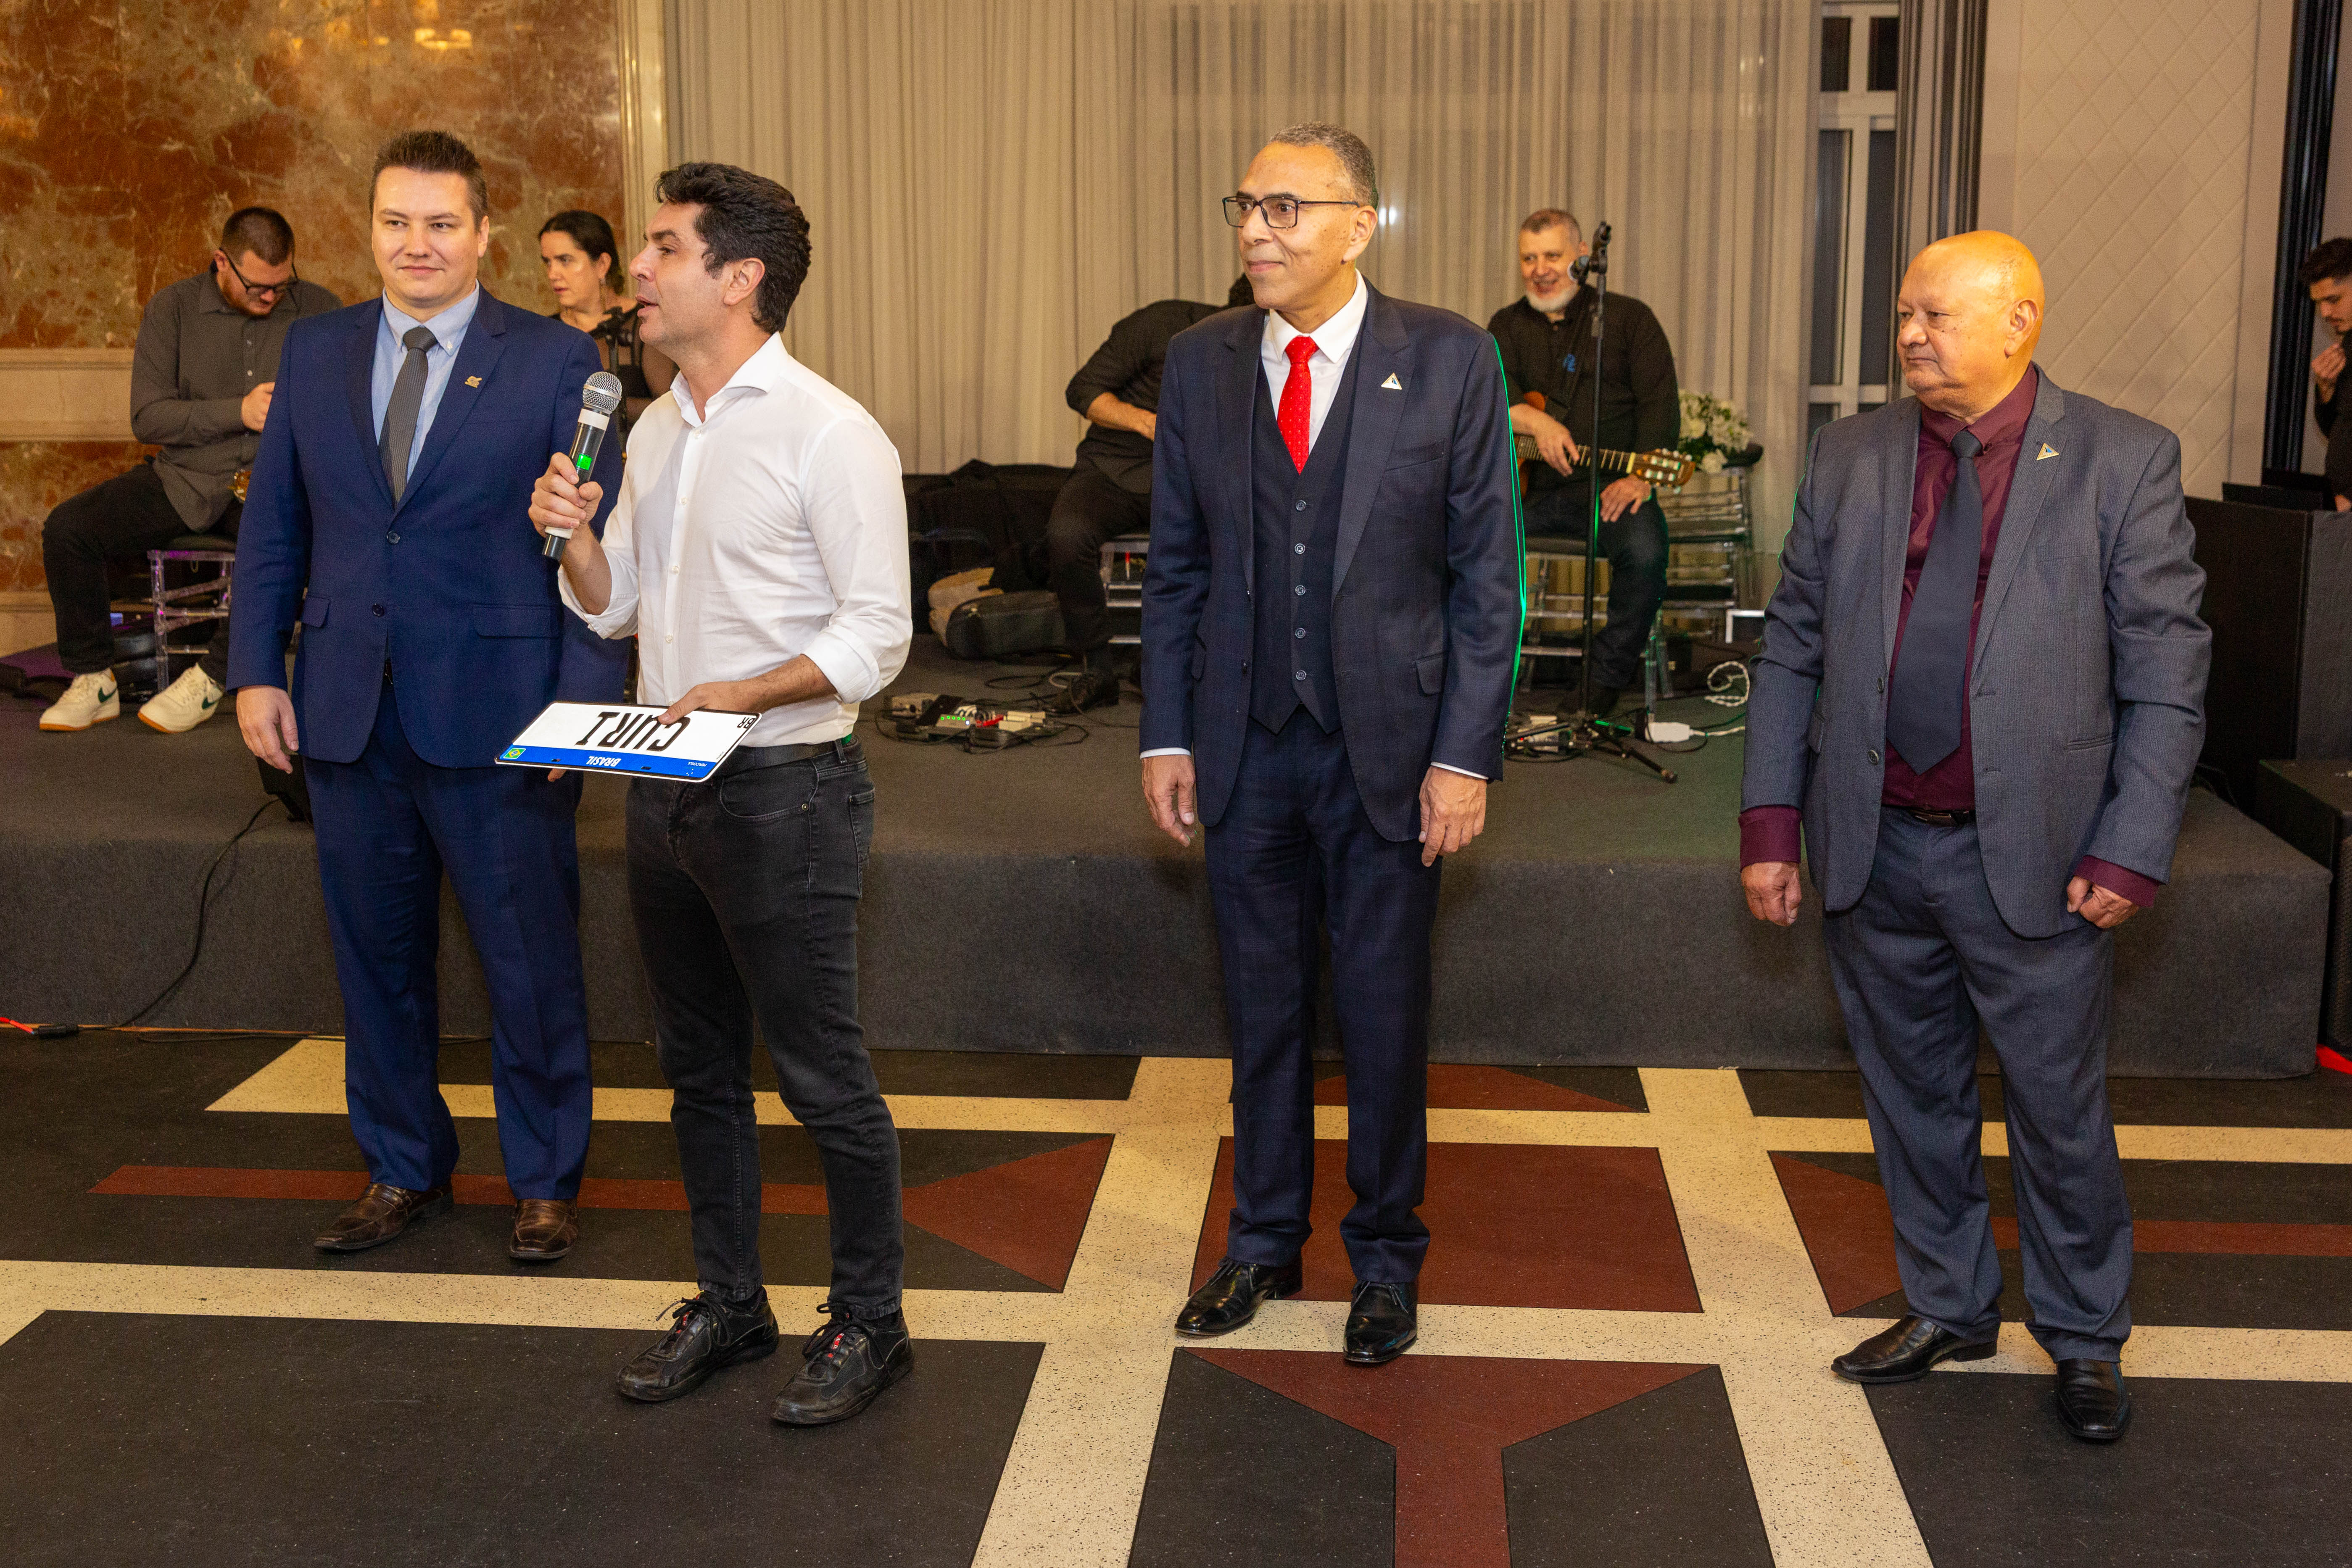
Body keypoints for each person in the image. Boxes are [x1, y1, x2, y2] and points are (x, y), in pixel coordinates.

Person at [1739, 232, 2209, 1444]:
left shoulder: (2121, 460)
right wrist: (1771, 821)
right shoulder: (1850, 456)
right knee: (1911, 1101)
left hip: (2042, 858)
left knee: (2057, 1114)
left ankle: (2084, 1335)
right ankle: (1948, 1305)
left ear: (2019, 321)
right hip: (1873, 845)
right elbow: (1791, 647)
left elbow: (2165, 678)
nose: (1907, 334)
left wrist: (2129, 845)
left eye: (1934, 315)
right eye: (1903, 312)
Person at [530, 163, 915, 1426]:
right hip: (662, 783)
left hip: (785, 791)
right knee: (696, 1069)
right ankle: (731, 1302)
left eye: (661, 248)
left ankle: (869, 1322)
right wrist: (575, 537)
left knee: (822, 1077)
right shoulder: (651, 429)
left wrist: (741, 695)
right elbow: (619, 606)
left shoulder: (828, 432)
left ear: (738, 278)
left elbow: (878, 635)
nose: (635, 271)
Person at [1140, 124, 1522, 1366]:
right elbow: (1177, 569)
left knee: (1380, 1014)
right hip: (1242, 748)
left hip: (1394, 757)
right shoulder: (1196, 363)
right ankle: (1261, 1240)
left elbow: (1487, 581)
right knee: (1259, 1012)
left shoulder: (1451, 358)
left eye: (1285, 208)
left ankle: (1384, 1258)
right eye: (1245, 205)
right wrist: (1164, 735)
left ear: (1359, 225)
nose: (1256, 230)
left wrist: (1463, 757)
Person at [227, 130, 628, 1266]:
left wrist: (580, 712)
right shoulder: (315, 352)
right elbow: (276, 530)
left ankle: (544, 1179)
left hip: (503, 716)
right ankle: (402, 1164)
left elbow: (593, 551)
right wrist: (256, 670)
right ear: (369, 231)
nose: (418, 244)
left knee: (528, 964)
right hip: (345, 708)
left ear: (484, 234)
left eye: (442, 223)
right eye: (397, 222)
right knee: (375, 961)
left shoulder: (555, 360)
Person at [37, 208, 339, 734]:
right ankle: (93, 678)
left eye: (281, 285)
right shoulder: (172, 308)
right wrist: (238, 411)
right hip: (184, 479)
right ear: (222, 262)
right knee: (68, 529)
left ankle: (212, 677)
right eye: (257, 287)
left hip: (273, 484)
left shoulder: (321, 310)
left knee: (290, 547)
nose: (271, 297)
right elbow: (148, 417)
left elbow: (347, 410)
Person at [1487, 208, 1679, 715]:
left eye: (1551, 256)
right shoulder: (1505, 325)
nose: (1540, 270)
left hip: (1609, 490)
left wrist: (1640, 478)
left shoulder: (1630, 320)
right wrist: (1537, 421)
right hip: (1529, 492)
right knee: (1453, 538)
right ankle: (1474, 681)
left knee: (1646, 554)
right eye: (1529, 258)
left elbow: (1661, 408)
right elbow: (1491, 393)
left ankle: (1599, 686)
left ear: (1581, 256)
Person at [1046, 275, 1253, 713]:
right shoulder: (1163, 324)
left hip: (1191, 480)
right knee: (1066, 537)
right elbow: (1082, 391)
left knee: (1239, 548)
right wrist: (1149, 422)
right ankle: (1098, 667)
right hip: (1114, 469)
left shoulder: (1271, 359)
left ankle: (1165, 664)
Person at [540, 208, 674, 430]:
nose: (552, 274)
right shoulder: (545, 334)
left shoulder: (643, 322)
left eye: (565, 260)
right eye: (548, 262)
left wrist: (592, 406)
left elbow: (673, 412)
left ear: (602, 264)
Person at [2301, 237, 2352, 509]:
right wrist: (2326, 389)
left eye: (2333, 299)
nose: (2325, 312)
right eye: (2319, 303)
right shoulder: (2349, 343)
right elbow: (2337, 430)